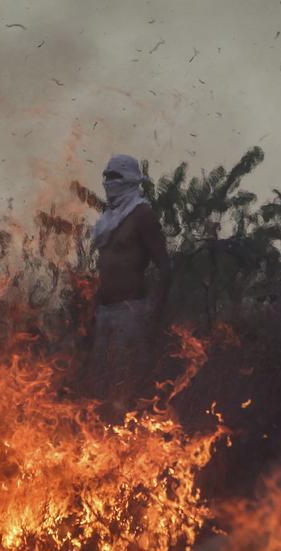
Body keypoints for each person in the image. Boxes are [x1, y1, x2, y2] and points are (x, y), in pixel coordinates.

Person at [88, 154, 171, 413]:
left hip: (131, 309)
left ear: (131, 180)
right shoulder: (109, 219)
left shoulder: (142, 214)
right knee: (102, 375)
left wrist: (154, 308)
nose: (109, 183)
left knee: (127, 376)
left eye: (116, 177)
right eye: (107, 177)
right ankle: (103, 431)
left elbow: (165, 266)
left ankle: (130, 428)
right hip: (105, 310)